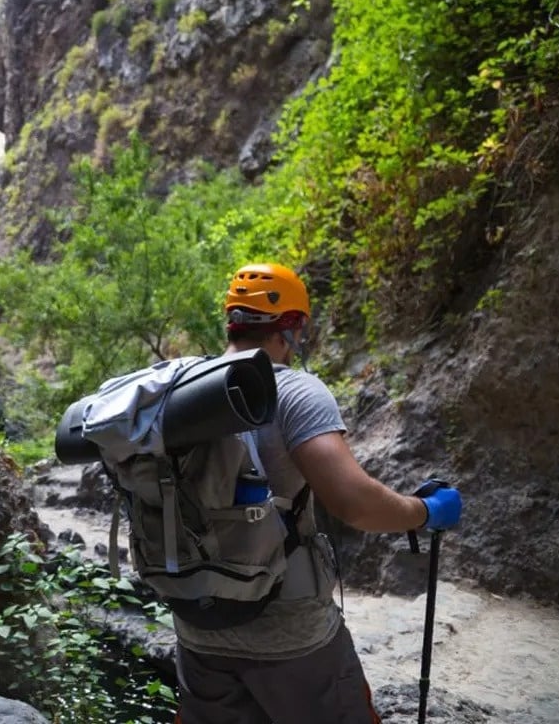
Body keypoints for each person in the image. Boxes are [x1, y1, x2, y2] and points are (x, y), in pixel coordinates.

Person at [172, 262, 462, 724]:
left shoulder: (179, 388)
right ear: (291, 328)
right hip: (289, 633)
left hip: (196, 625)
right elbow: (352, 503)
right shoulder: (293, 391)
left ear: (233, 322)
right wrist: (425, 511)